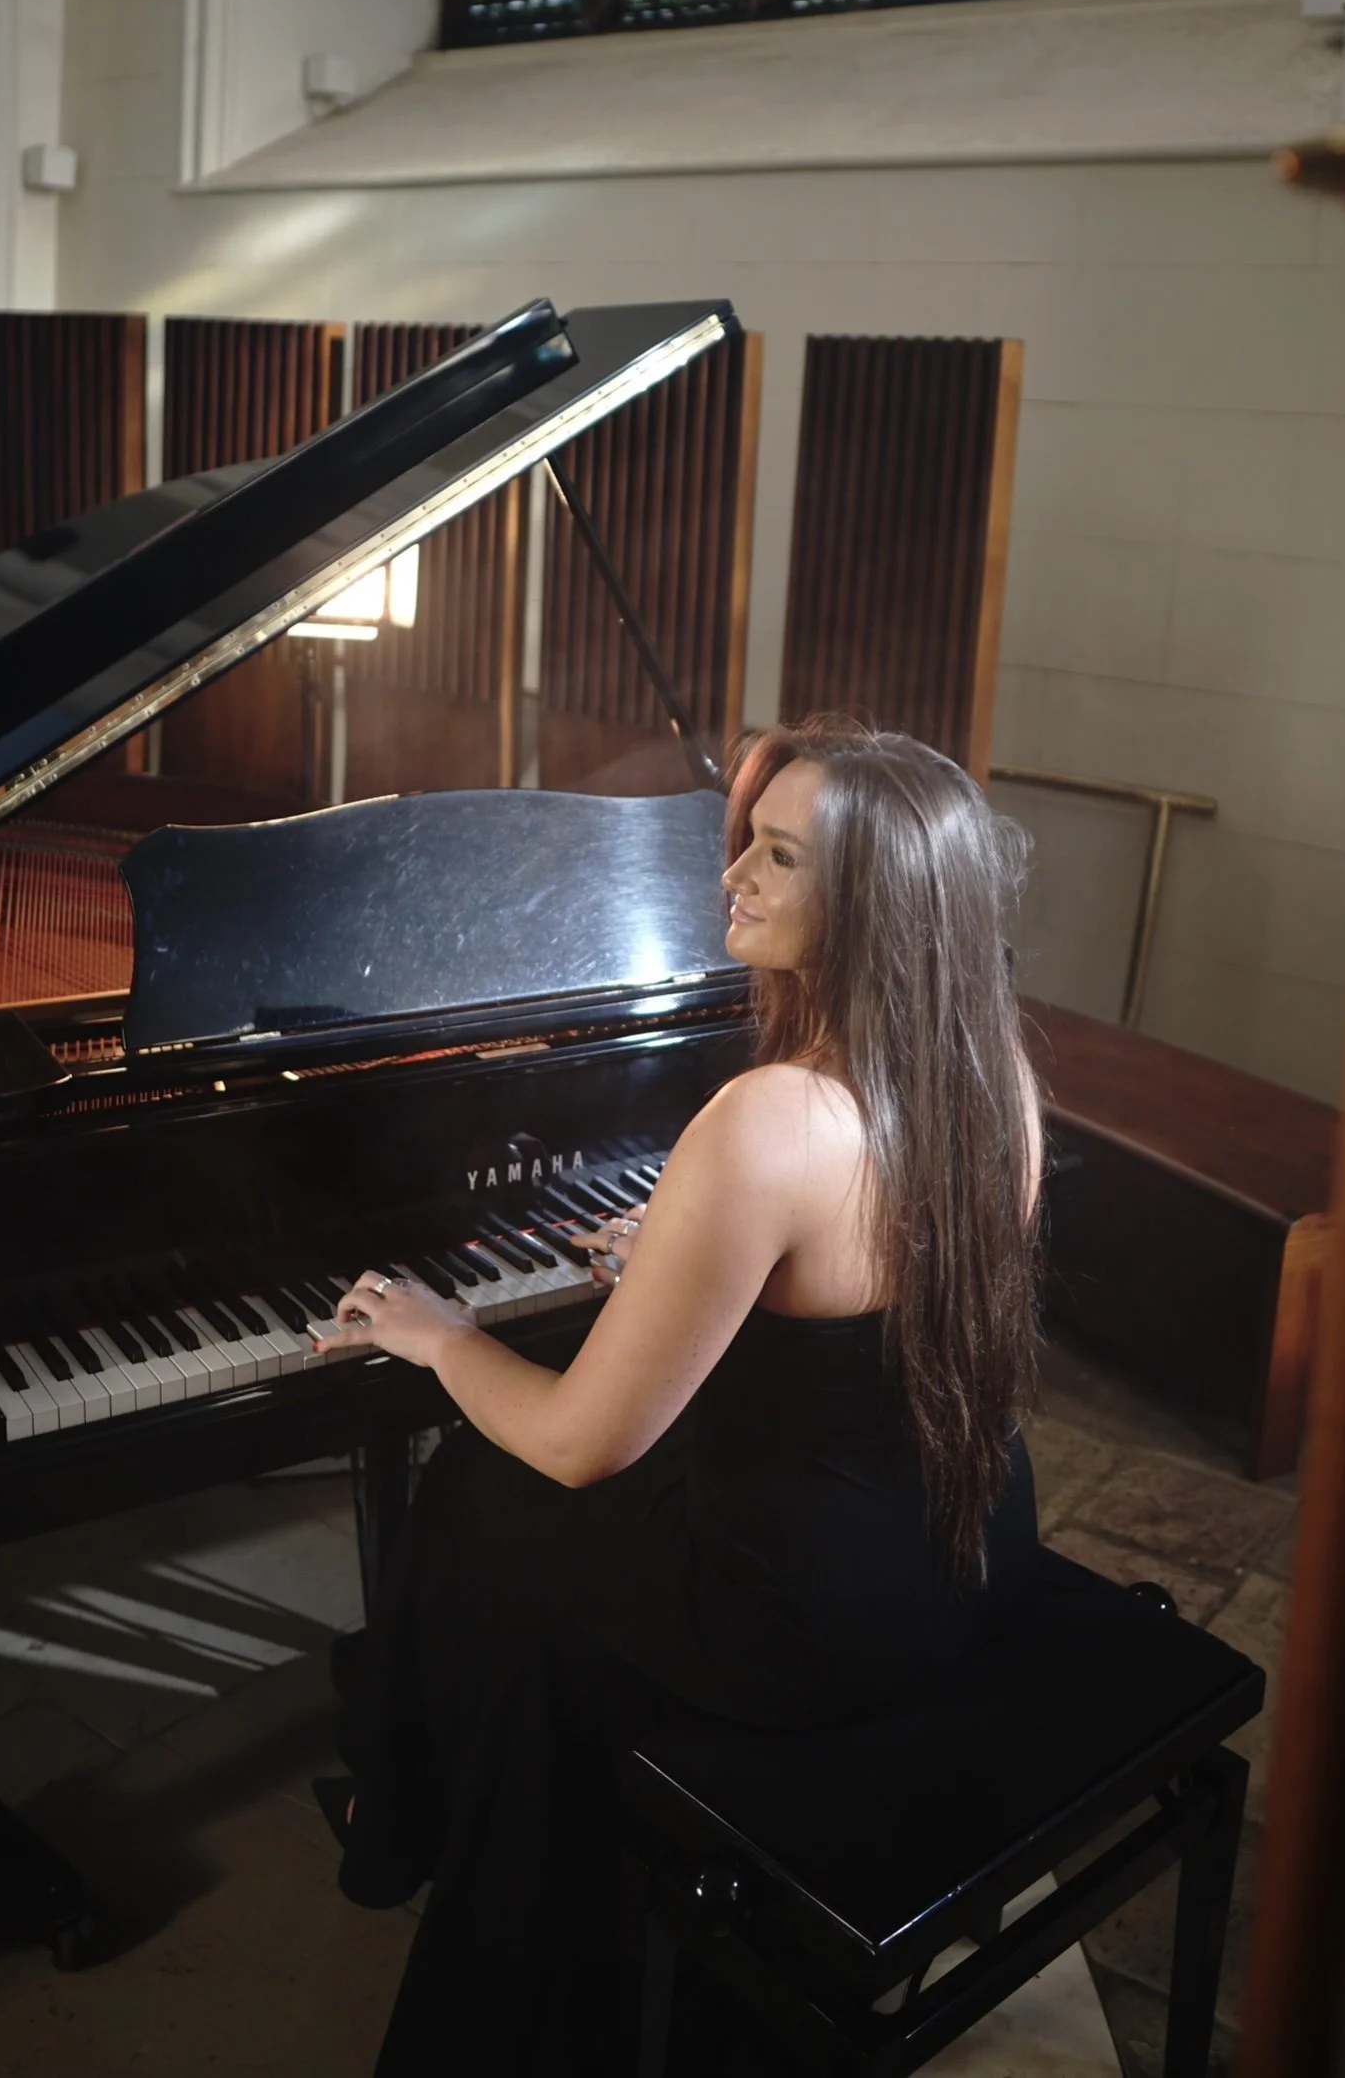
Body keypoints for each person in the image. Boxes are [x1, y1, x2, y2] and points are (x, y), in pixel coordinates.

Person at [316, 717, 1044, 2075]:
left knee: (485, 1477)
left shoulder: (766, 1119)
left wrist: (437, 1336)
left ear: (873, 905)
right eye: (743, 848)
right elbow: (861, 1288)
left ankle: (437, 1827)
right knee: (516, 1504)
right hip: (968, 1547)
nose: (731, 882)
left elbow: (585, 1446)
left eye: (777, 859)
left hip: (800, 1629)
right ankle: (466, 1797)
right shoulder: (988, 1070)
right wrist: (681, 1255)